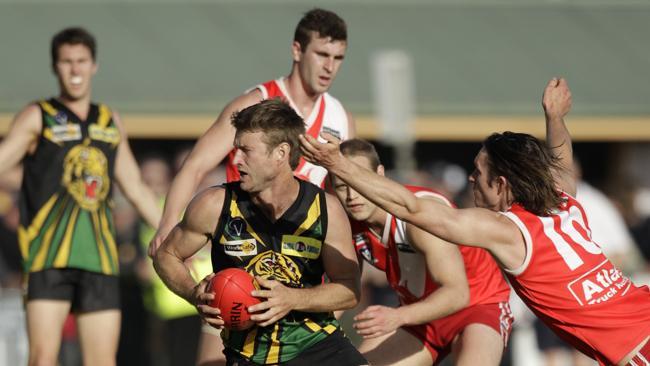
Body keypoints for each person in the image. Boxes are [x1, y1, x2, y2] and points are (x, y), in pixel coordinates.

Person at [300, 77, 650, 366]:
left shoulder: (507, 230)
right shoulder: (562, 203)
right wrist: (555, 117)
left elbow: (414, 208)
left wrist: (340, 165)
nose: (470, 180)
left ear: (501, 184)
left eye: (478, 173)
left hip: (637, 348)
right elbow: (560, 157)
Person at [153, 99, 366, 365]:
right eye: (235, 149)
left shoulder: (325, 209)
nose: (236, 159)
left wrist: (292, 298)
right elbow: (166, 255)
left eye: (246, 151)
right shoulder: (215, 204)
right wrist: (193, 293)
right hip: (249, 354)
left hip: (317, 346)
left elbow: (349, 289)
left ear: (281, 153)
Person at [0, 27, 161, 366]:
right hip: (49, 256)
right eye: (66, 62)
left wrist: (173, 234)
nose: (74, 70)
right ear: (55, 67)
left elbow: (134, 186)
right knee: (43, 358)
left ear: (94, 65)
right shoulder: (38, 116)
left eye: (81, 61)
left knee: (101, 361)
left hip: (99, 257)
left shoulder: (109, 120)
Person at [332, 139, 512, 365]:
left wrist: (397, 317)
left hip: (477, 305)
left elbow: (457, 293)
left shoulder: (418, 218)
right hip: (419, 316)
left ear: (379, 174)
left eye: (358, 183)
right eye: (341, 186)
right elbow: (345, 288)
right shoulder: (346, 222)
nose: (351, 196)